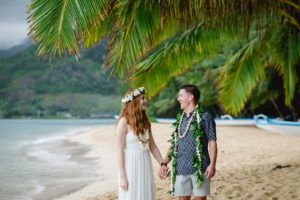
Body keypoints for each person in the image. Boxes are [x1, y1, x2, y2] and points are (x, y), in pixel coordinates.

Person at [159, 84, 217, 200]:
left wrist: (212, 164)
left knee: (200, 198)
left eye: (181, 96)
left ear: (190, 97)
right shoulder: (180, 118)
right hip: (181, 167)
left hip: (200, 167)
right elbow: (175, 142)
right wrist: (164, 162)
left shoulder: (205, 117)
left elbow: (212, 141)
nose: (178, 99)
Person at [116, 87, 168, 200]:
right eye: (142, 98)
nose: (145, 101)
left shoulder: (146, 123)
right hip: (130, 164)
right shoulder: (123, 122)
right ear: (133, 102)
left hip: (145, 161)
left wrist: (162, 163)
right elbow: (119, 151)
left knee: (145, 194)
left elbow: (152, 146)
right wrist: (123, 176)